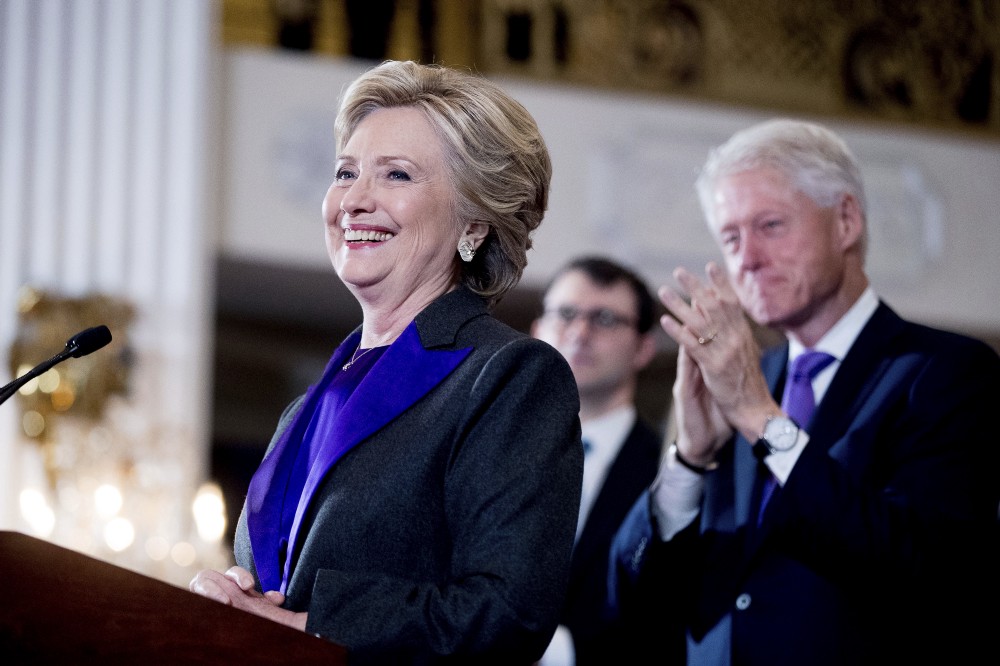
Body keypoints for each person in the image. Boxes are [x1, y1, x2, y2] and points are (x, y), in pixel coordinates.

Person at [190, 60, 583, 665]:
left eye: (396, 174)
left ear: (474, 223)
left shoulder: (509, 377)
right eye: (346, 172)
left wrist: (301, 624)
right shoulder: (307, 405)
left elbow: (507, 614)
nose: (355, 200)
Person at [608, 118, 1000, 665]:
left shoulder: (945, 373)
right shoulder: (743, 378)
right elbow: (629, 597)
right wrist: (690, 461)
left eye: (770, 225)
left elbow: (924, 562)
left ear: (845, 221)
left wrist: (761, 419)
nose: (746, 257)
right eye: (730, 236)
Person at [530, 256, 663, 666]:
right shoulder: (481, 446)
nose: (581, 332)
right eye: (566, 314)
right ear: (537, 331)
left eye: (605, 319)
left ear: (644, 348)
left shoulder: (672, 474)